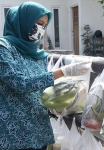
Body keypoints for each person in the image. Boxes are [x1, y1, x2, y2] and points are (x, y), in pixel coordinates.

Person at [0, 1, 90, 150]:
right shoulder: (4, 48)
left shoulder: (38, 54)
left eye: (44, 25)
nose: (41, 29)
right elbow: (20, 83)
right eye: (38, 23)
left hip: (39, 130)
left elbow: (41, 88)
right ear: (24, 21)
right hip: (14, 133)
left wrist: (54, 105)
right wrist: (63, 72)